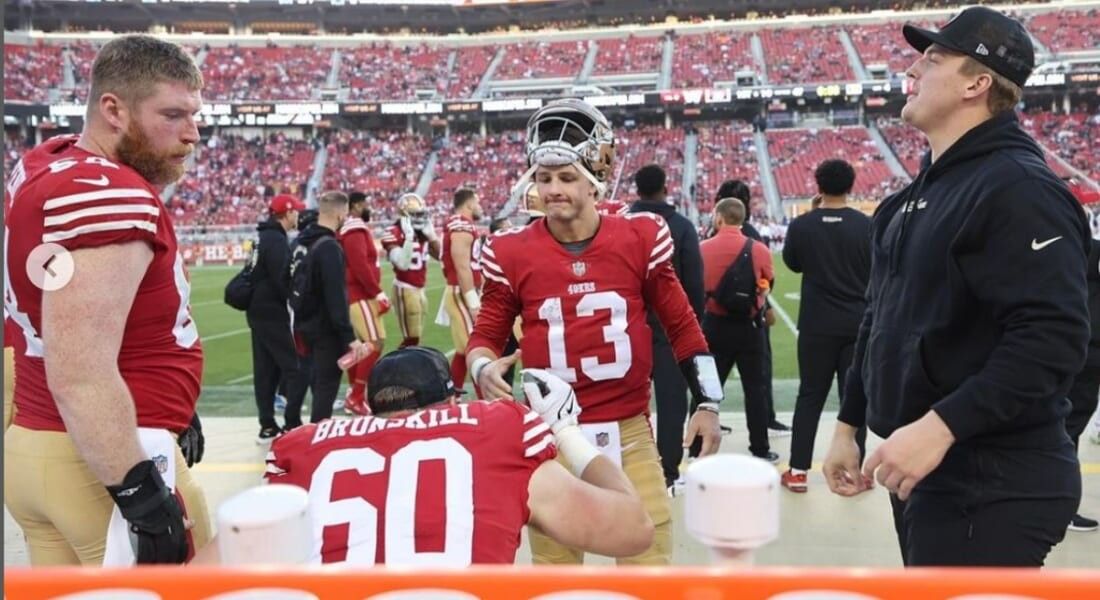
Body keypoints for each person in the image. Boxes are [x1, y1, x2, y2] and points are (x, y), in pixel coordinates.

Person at [823, 7, 1088, 566]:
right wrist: (849, 423)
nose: (914, 69)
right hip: (928, 469)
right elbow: (881, 316)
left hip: (990, 475)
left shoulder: (1018, 189)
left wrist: (942, 426)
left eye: (934, 58)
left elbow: (1052, 339)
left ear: (977, 83)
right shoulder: (917, 193)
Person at [467, 99, 723, 566]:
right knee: (556, 567)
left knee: (650, 556)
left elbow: (683, 324)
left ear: (595, 181)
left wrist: (707, 403)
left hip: (629, 426)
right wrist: (481, 365)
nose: (553, 189)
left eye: (566, 177)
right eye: (544, 179)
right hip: (553, 433)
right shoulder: (511, 251)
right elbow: (486, 331)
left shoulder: (639, 237)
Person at [3, 35, 211, 565]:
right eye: (173, 114)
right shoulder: (107, 192)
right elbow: (80, 371)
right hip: (99, 461)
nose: (193, 134)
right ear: (113, 109)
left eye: (194, 114)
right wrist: (138, 487)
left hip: (38, 444)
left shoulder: (45, 162)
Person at [254, 347, 654, 565]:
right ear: (450, 401)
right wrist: (567, 432)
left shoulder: (304, 448)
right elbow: (633, 530)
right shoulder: (494, 432)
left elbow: (206, 579)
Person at [780, 159, 871, 492]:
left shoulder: (803, 225)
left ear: (817, 185)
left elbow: (792, 263)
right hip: (856, 324)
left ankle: (799, 471)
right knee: (854, 399)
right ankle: (855, 472)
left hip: (817, 324)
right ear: (851, 185)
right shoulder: (866, 224)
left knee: (810, 396)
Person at [628, 164, 706, 492]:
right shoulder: (681, 226)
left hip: (628, 324)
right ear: (665, 187)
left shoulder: (621, 225)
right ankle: (668, 472)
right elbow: (694, 281)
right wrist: (693, 322)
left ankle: (629, 466)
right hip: (669, 324)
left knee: (629, 400)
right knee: (672, 402)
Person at [701, 198, 777, 463]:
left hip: (714, 325)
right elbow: (767, 283)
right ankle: (760, 448)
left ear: (719, 218)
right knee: (755, 390)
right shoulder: (759, 249)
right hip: (748, 325)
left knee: (707, 389)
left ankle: (696, 444)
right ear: (742, 220)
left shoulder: (704, 248)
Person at [715, 179, 789, 435]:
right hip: (750, 315)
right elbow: (768, 278)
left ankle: (704, 419)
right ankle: (765, 422)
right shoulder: (752, 235)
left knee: (712, 374)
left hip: (715, 314)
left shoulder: (710, 233)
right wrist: (763, 303)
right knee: (758, 376)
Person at [291, 191, 372, 423]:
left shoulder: (301, 242)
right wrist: (349, 337)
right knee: (326, 387)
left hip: (303, 322)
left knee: (314, 381)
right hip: (325, 328)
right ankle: (318, 437)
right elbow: (335, 296)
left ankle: (300, 428)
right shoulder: (329, 247)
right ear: (339, 213)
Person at [247, 193, 305, 443]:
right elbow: (282, 278)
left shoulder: (264, 237)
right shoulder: (276, 241)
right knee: (293, 367)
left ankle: (267, 424)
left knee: (265, 370)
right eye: (295, 212)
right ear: (288, 213)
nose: (298, 216)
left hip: (257, 310)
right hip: (272, 312)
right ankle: (292, 422)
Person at [338, 190, 388, 416]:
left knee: (359, 344)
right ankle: (356, 395)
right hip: (359, 295)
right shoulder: (355, 229)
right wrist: (377, 292)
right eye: (365, 203)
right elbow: (360, 266)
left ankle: (354, 392)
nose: (368, 207)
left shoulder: (352, 228)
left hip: (356, 294)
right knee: (375, 342)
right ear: (357, 205)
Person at [1064, 238, 1100, 532]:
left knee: (1068, 425)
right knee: (1069, 428)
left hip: (1079, 341)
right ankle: (1063, 507)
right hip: (1089, 347)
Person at [380, 192, 441, 348]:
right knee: (411, 338)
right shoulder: (393, 232)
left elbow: (441, 256)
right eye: (415, 214)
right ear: (404, 215)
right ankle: (401, 367)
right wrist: (408, 237)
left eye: (422, 214)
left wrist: (432, 237)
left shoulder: (423, 233)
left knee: (417, 336)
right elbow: (402, 263)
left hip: (420, 289)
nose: (420, 218)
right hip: (405, 288)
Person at [440, 187, 484, 393]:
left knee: (462, 350)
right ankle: (486, 398)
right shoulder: (460, 225)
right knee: (475, 348)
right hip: (461, 292)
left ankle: (452, 393)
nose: (479, 206)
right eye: (477, 202)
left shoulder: (462, 224)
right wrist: (473, 301)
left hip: (464, 291)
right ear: (468, 204)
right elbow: (462, 266)